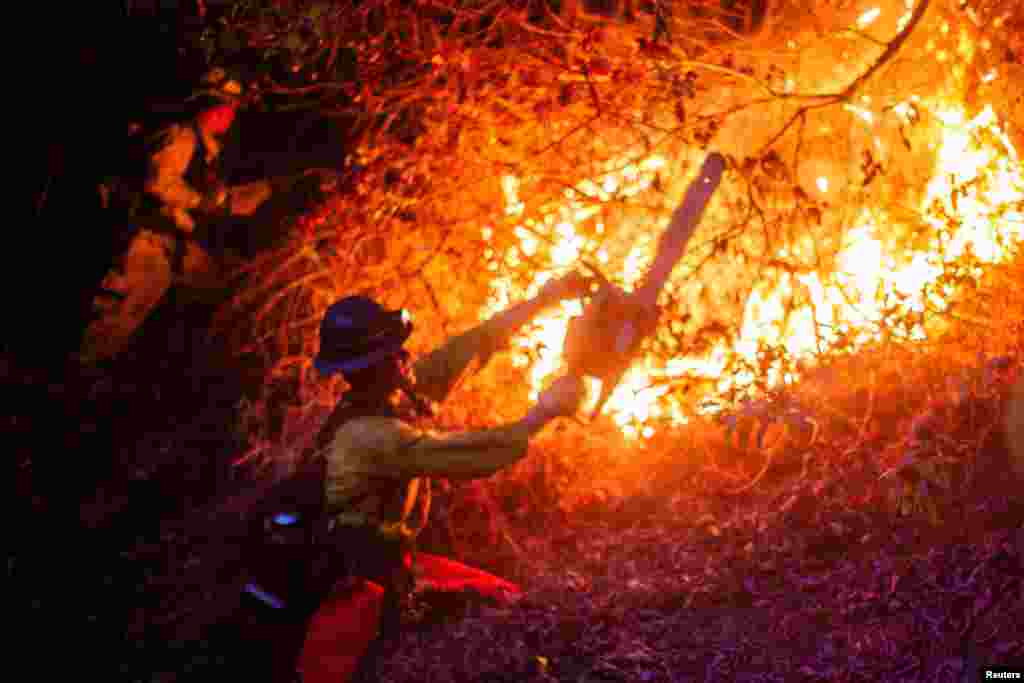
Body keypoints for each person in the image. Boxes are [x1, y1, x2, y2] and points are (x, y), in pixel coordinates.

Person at [241, 274, 591, 682]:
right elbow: (474, 455)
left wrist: (544, 300)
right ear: (377, 365)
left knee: (505, 601)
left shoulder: (389, 395)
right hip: (353, 590)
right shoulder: (369, 436)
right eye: (395, 350)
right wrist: (544, 412)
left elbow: (470, 347)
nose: (406, 355)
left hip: (392, 565)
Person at [80, 69, 244, 363]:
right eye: (229, 108)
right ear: (216, 108)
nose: (231, 116)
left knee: (129, 324)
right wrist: (200, 201)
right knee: (112, 321)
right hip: (147, 243)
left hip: (170, 247)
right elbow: (158, 182)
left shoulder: (206, 147)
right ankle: (72, 382)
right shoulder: (181, 137)